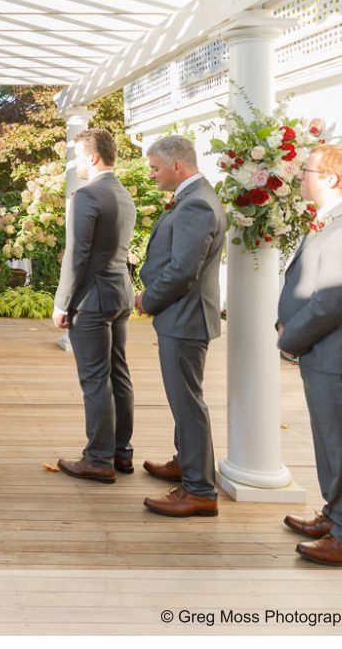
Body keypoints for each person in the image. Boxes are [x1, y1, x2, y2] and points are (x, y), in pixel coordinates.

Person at [277, 144, 342, 566]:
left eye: (307, 170)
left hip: (339, 357)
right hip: (324, 353)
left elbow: (332, 302)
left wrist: (289, 337)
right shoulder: (334, 220)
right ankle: (336, 515)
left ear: (331, 178)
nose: (301, 176)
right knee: (329, 441)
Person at [136, 135, 225, 518]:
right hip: (182, 315)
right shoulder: (195, 197)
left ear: (177, 166)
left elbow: (181, 271)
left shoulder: (198, 206)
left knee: (187, 403)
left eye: (155, 168)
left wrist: (147, 299)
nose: (152, 175)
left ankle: (200, 490)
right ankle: (184, 463)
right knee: (182, 398)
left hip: (185, 316)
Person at [52, 129, 136, 484]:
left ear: (94, 158)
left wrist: (62, 303)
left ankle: (99, 459)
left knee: (94, 379)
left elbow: (77, 255)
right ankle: (121, 452)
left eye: (77, 156)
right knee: (118, 373)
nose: (75, 163)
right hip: (121, 293)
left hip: (92, 298)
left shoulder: (88, 195)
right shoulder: (124, 194)